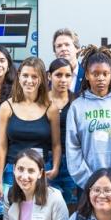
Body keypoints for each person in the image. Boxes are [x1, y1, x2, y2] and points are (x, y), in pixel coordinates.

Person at [65, 47, 111, 191]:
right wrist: (89, 182)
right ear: (87, 75)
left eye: (105, 74)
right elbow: (73, 148)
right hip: (87, 185)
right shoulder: (76, 107)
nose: (101, 78)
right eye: (95, 74)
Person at [0, 57, 61, 201]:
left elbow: (56, 144)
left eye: (34, 76)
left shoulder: (51, 108)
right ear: (19, 76)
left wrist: (55, 168)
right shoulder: (7, 107)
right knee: (13, 216)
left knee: (41, 215)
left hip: (42, 171)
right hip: (13, 170)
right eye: (25, 75)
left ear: (42, 79)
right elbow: (2, 146)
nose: (29, 80)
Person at [47, 58, 79, 207]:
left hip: (72, 160)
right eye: (58, 75)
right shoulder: (40, 101)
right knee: (46, 207)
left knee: (71, 206)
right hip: (45, 159)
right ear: (49, 76)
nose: (63, 80)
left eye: (68, 75)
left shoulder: (77, 101)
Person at [52, 28, 83, 93]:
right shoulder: (47, 78)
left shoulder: (87, 75)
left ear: (77, 48)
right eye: (59, 46)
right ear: (55, 52)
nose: (63, 49)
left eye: (67, 45)